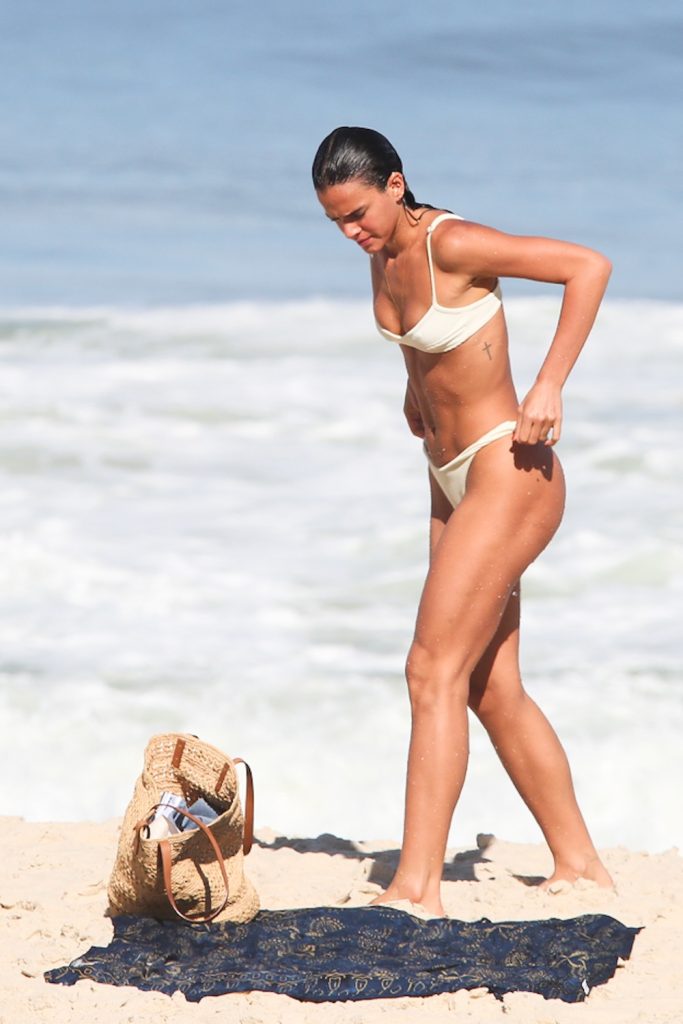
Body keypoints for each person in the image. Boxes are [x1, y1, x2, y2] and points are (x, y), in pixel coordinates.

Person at [312, 126, 614, 917]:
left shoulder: (452, 243)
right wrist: (414, 392)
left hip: (507, 467)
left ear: (395, 184)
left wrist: (548, 385)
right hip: (449, 478)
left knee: (429, 670)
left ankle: (417, 888)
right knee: (487, 684)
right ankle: (581, 865)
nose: (350, 232)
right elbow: (429, 345)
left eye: (357, 214)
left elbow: (587, 267)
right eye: (335, 221)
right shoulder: (382, 254)